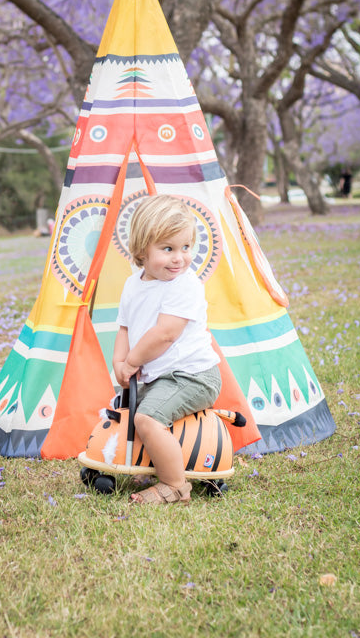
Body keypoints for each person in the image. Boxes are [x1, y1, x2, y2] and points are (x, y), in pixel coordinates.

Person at [113, 194, 221, 504]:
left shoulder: (184, 285)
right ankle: (146, 462)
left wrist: (132, 361)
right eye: (168, 249)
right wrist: (120, 362)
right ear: (141, 251)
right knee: (126, 409)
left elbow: (165, 335)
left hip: (192, 375)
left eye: (186, 248)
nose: (179, 258)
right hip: (160, 375)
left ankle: (175, 485)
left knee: (147, 418)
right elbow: (124, 327)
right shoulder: (133, 285)